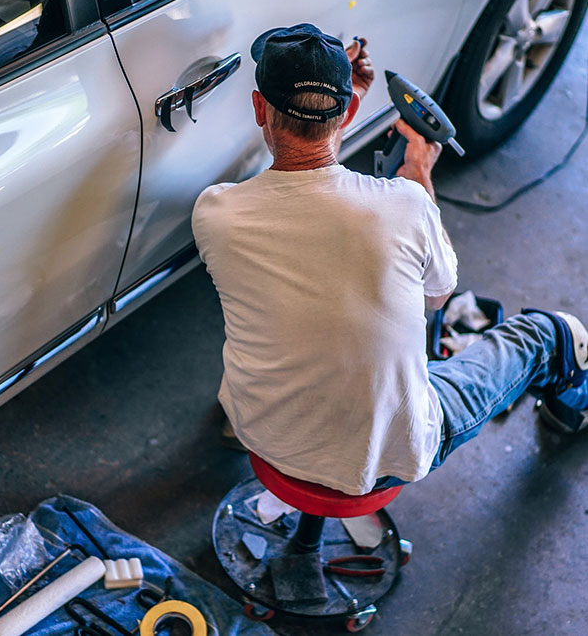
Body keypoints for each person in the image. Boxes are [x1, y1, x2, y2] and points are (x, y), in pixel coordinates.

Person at [191, 24, 588, 496]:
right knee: (546, 333)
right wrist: (419, 172)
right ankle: (570, 409)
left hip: (261, 430)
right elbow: (437, 299)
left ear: (260, 108)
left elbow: (295, 186)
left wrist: (342, 115)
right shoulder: (406, 205)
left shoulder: (216, 213)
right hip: (384, 457)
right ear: (350, 112)